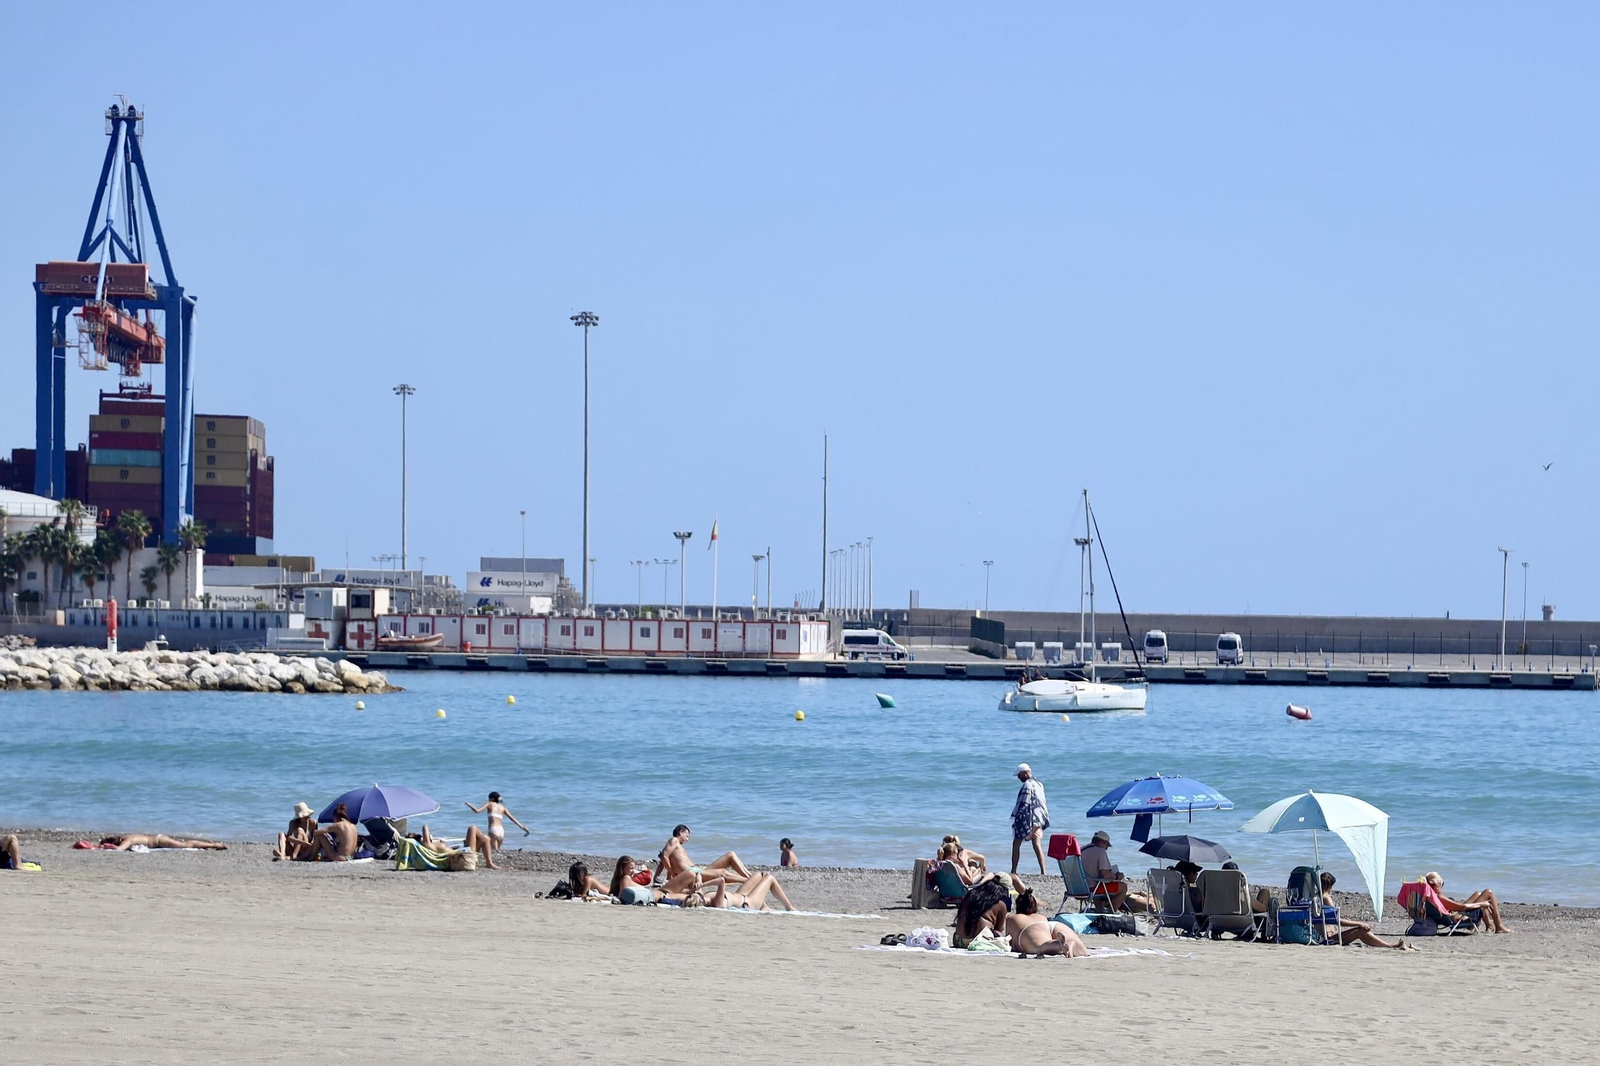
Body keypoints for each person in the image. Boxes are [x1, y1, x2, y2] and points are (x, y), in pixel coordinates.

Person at [1321, 872, 1415, 950]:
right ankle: (1390, 946)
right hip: (1329, 938)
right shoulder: (1326, 898)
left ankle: (1391, 945)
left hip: (1328, 936)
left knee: (1361, 930)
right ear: (1329, 886)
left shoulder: (1319, 898)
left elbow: (1334, 919)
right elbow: (1338, 921)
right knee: (1361, 930)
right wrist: (1359, 923)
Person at [1079, 830, 1151, 912]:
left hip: (1080, 888)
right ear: (1101, 843)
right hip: (1092, 889)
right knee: (1123, 887)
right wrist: (1116, 876)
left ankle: (1100, 911)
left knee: (1100, 884)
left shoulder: (1082, 850)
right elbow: (1105, 874)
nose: (1107, 849)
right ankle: (1111, 912)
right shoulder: (1100, 851)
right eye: (1107, 845)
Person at [1005, 887, 1088, 957]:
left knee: (1041, 947)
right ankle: (1070, 945)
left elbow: (1009, 941)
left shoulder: (1012, 918)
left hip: (1029, 928)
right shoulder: (1040, 916)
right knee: (1083, 952)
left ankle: (1061, 945)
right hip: (1051, 924)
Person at [656, 824, 752, 883]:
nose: (687, 839)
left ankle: (750, 876)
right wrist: (671, 874)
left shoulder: (676, 849)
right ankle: (749, 881)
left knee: (730, 855)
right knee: (722, 873)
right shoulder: (674, 840)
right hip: (693, 873)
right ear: (680, 832)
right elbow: (664, 857)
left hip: (697, 870)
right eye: (686, 836)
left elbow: (664, 860)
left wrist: (664, 876)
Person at [1426, 871, 1509, 933]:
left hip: (1453, 915)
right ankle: (1499, 926)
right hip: (1458, 917)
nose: (1442, 888)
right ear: (1437, 886)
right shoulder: (1439, 897)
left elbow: (1453, 907)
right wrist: (1482, 904)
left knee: (1478, 894)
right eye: (1441, 885)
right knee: (1488, 892)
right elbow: (1462, 907)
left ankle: (1489, 926)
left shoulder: (1427, 897)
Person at [951, 875, 1013, 948]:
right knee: (1000, 934)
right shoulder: (1000, 905)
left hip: (958, 940)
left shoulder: (971, 894)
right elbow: (998, 929)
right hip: (979, 941)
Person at [1009, 763, 1049, 875]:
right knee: (1037, 844)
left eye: (1019, 775)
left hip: (1028, 818)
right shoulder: (1039, 784)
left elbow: (1023, 803)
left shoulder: (1027, 785)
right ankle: (1043, 871)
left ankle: (1013, 870)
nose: (1018, 777)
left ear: (1025, 773)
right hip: (1039, 818)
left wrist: (1017, 818)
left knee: (1016, 843)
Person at [699, 871, 797, 912]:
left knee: (759, 874)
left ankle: (764, 907)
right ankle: (789, 907)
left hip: (741, 895)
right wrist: (703, 884)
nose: (701, 896)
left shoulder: (704, 896)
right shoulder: (717, 902)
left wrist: (697, 883)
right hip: (748, 903)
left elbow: (698, 874)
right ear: (703, 902)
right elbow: (721, 881)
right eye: (701, 898)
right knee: (769, 878)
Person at [465, 791, 530, 852]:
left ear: (491, 799)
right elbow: (512, 818)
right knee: (497, 850)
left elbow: (477, 811)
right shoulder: (502, 807)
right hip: (501, 831)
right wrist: (522, 827)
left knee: (494, 851)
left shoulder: (489, 803)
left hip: (493, 830)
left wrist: (469, 805)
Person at [100, 833, 228, 851]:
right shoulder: (127, 836)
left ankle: (214, 845)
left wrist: (105, 848)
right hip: (159, 838)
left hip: (159, 841)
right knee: (186, 844)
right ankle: (208, 843)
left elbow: (119, 849)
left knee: (186, 845)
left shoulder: (127, 840)